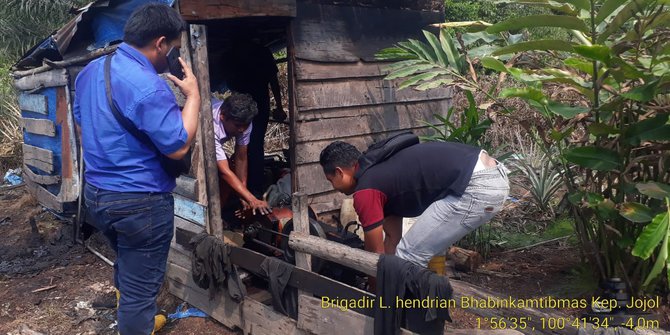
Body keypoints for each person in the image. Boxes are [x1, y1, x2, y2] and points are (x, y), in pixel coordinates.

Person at [73, 4, 199, 334]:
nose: (171, 56)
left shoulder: (90, 71)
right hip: (140, 202)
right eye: (172, 48)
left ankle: (131, 312)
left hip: (98, 195)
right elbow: (178, 145)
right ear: (159, 43)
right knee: (140, 294)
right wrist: (194, 96)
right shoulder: (148, 86)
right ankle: (135, 323)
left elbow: (83, 126)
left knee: (129, 263)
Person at [319, 138, 510, 268]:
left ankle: (402, 318)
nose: (334, 187)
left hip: (477, 186)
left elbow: (374, 257)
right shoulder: (379, 171)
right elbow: (391, 240)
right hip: (491, 174)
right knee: (405, 256)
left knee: (409, 256)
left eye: (330, 181)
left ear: (339, 172)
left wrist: (379, 299)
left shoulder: (366, 190)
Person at [222, 37, 285, 197]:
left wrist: (279, 106)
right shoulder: (260, 52)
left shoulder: (234, 53)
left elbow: (230, 83)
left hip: (244, 108)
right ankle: (252, 188)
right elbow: (273, 81)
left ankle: (249, 188)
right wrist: (278, 106)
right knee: (253, 147)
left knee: (247, 148)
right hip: (251, 107)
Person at [213, 92, 271, 216]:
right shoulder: (212, 125)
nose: (242, 130)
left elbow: (241, 158)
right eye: (238, 126)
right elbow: (224, 171)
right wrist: (252, 199)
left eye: (245, 126)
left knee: (231, 175)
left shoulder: (244, 122)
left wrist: (243, 194)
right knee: (220, 177)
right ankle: (214, 217)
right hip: (190, 142)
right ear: (222, 116)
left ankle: (219, 213)